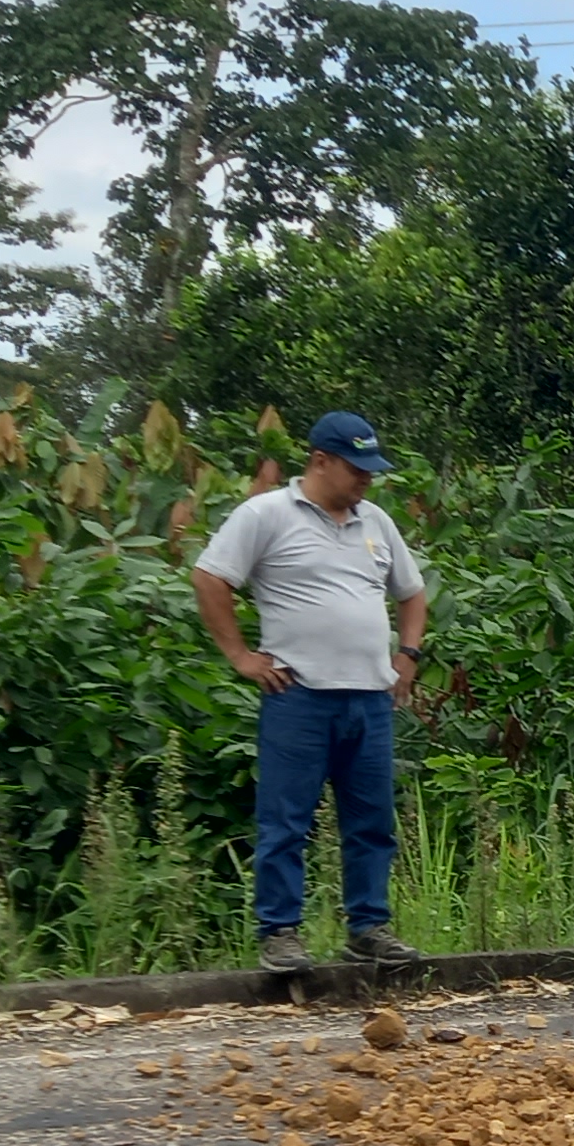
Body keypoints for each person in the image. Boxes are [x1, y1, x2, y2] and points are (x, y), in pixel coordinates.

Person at [191, 411, 428, 976]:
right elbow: (210, 577)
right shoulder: (266, 514)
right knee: (285, 822)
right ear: (320, 461)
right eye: (356, 467)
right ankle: (280, 933)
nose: (367, 478)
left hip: (370, 698)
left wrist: (408, 654)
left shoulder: (376, 521)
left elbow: (412, 593)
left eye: (372, 468)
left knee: (372, 823)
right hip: (300, 695)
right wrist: (241, 656)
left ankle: (368, 929)